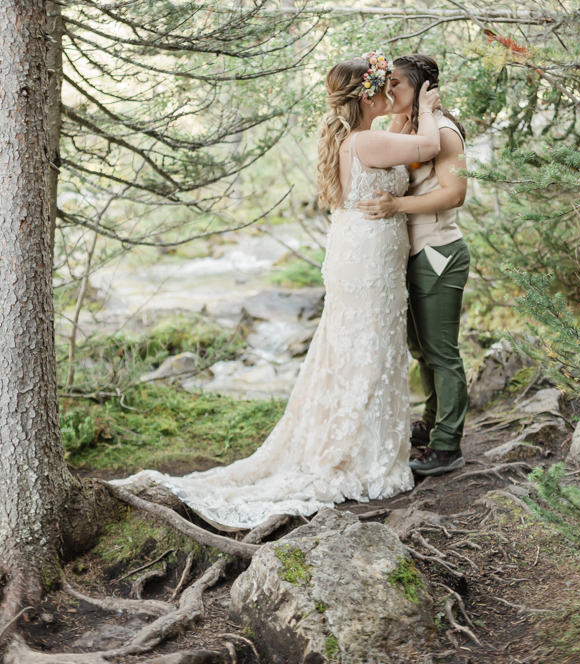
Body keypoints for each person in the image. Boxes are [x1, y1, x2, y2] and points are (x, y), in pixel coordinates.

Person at [113, 52, 441, 530]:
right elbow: (428, 147)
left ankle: (354, 442)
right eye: (382, 86)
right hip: (366, 255)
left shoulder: (359, 138)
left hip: (362, 250)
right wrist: (427, 105)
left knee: (357, 348)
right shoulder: (366, 141)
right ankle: (352, 452)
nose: (390, 91)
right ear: (366, 96)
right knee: (366, 351)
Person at [357, 54, 469, 478]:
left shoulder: (444, 132)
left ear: (421, 88)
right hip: (410, 255)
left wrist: (395, 206)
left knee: (442, 353)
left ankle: (447, 446)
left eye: (397, 84)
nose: (389, 92)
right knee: (421, 350)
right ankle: (432, 421)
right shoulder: (407, 128)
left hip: (439, 252)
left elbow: (454, 194)